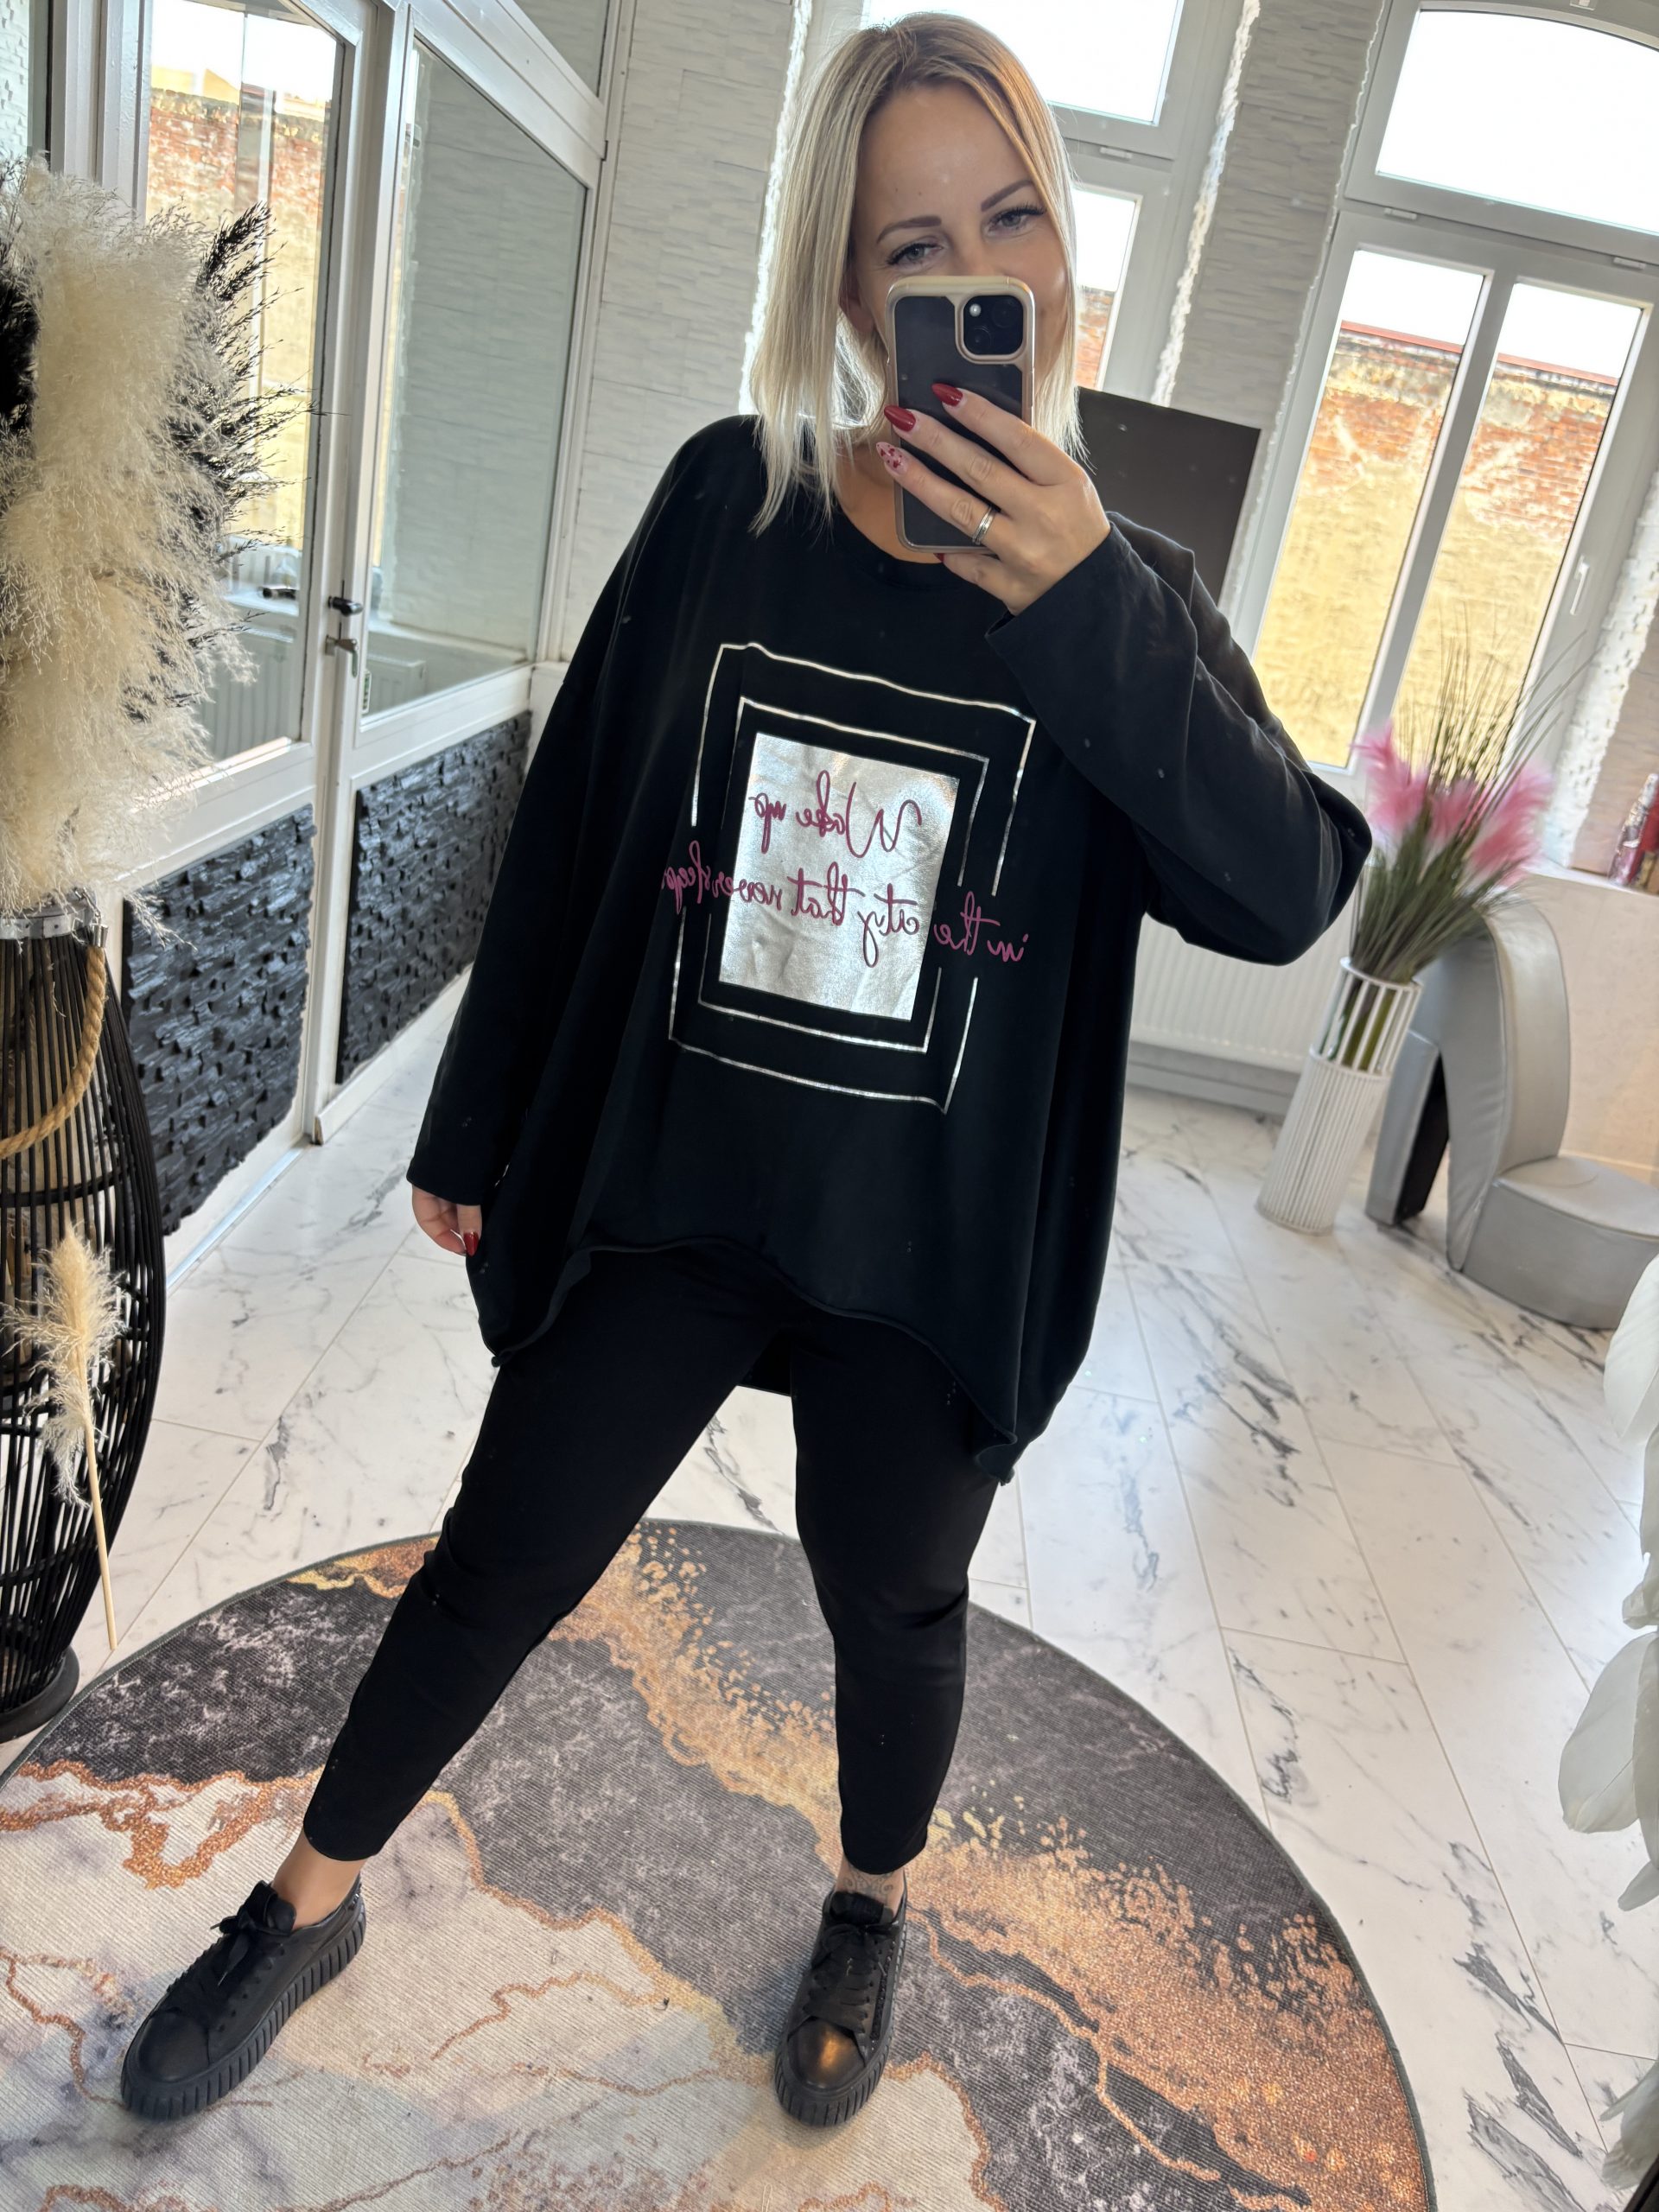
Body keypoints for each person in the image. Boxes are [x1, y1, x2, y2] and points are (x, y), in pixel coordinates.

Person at [118, 11, 1372, 2133]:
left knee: (892, 1593)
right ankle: (303, 1900)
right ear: (847, 291)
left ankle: (868, 1901)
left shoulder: (1128, 592)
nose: (972, 276)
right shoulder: (733, 499)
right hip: (679, 1182)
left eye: (1011, 221)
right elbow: (581, 810)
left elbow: (1285, 889)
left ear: (1062, 253)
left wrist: (1086, 606)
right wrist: (477, 1109)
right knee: (507, 1545)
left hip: (925, 1237)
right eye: (912, 245)